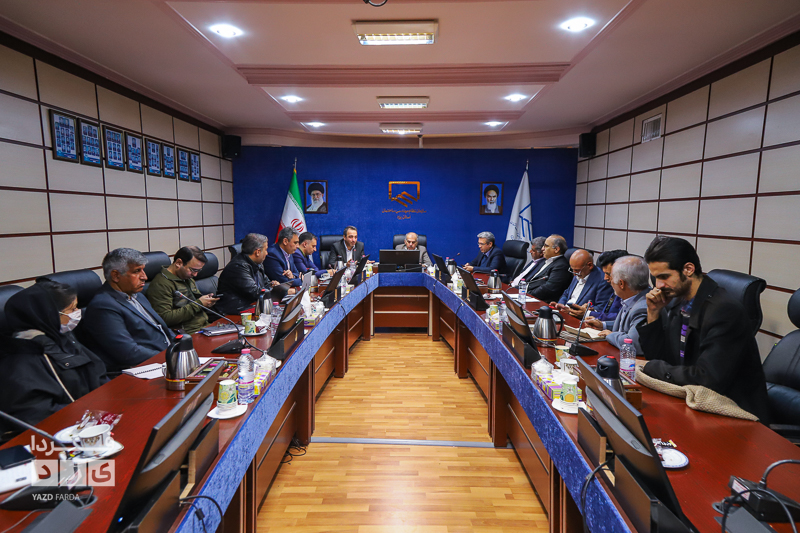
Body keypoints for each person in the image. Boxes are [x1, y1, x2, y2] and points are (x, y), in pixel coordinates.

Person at [636, 236, 770, 421]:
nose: (658, 285)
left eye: (664, 277)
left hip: (734, 414)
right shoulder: (678, 303)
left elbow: (707, 379)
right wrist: (653, 312)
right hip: (690, 402)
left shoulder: (724, 310)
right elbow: (661, 359)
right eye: (656, 278)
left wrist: (650, 366)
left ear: (688, 269)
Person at [0, 280, 108, 433]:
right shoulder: (22, 360)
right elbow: (39, 416)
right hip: (66, 432)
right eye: (72, 309)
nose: (78, 313)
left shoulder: (61, 337)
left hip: (96, 414)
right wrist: (90, 415)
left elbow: (95, 371)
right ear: (49, 315)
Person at [79, 248, 175, 373]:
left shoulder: (137, 295)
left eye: (143, 270)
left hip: (165, 359)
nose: (144, 277)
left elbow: (160, 328)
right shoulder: (103, 306)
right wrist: (170, 356)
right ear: (116, 276)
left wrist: (181, 345)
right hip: (143, 370)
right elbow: (128, 353)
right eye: (137, 271)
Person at [145, 246, 218, 334]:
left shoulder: (186, 277)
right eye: (193, 270)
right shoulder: (161, 284)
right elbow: (165, 318)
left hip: (205, 326)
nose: (195, 275)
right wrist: (199, 304)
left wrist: (206, 302)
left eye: (198, 271)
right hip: (189, 333)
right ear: (179, 263)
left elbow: (194, 303)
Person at [584, 255, 649, 354]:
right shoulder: (632, 297)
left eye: (611, 277)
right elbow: (626, 326)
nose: (609, 281)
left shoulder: (643, 307)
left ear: (621, 284)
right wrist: (603, 325)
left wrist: (610, 335)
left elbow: (631, 344)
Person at [216, 233, 279, 315]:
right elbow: (255, 292)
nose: (267, 253)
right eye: (266, 250)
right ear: (257, 252)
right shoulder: (238, 267)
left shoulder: (257, 264)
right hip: (233, 313)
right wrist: (277, 291)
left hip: (251, 307)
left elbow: (266, 284)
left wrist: (273, 286)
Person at [568, 249, 628, 320]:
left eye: (609, 274)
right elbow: (606, 312)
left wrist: (588, 313)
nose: (605, 278)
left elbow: (619, 319)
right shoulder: (617, 290)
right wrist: (591, 309)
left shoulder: (631, 298)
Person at [552, 249, 613, 314]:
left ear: (589, 265)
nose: (574, 274)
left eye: (577, 270)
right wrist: (561, 305)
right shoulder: (579, 272)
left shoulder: (603, 280)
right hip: (564, 312)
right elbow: (566, 293)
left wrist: (570, 311)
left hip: (578, 317)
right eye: (572, 270)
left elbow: (600, 309)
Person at [520, 234, 572, 302]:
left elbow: (549, 289)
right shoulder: (545, 261)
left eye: (546, 246)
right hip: (526, 295)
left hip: (541, 302)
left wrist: (527, 294)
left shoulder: (561, 266)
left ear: (556, 249)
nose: (542, 249)